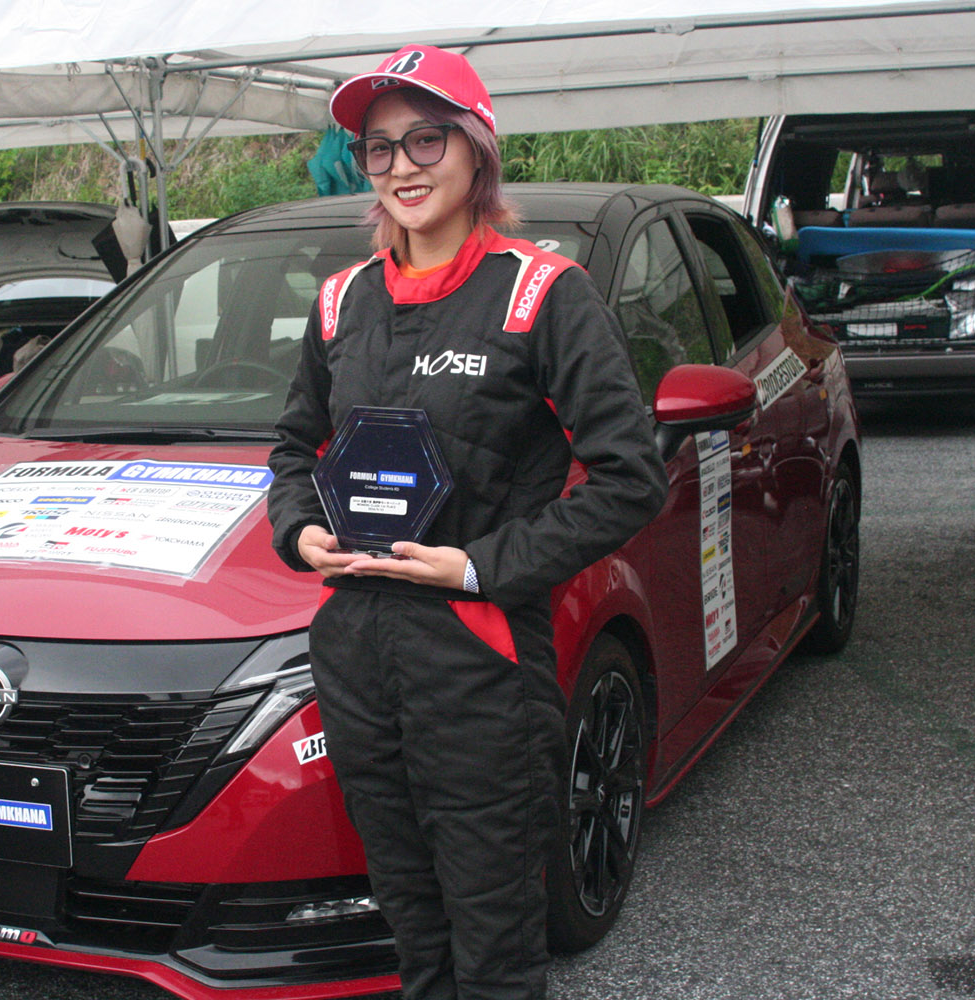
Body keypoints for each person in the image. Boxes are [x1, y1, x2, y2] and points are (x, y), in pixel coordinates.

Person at [265, 44, 669, 1000]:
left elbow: (630, 477)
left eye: (426, 139)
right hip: (358, 651)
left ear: (477, 150)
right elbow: (291, 448)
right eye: (379, 148)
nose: (403, 166)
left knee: (492, 939)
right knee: (410, 919)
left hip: (477, 659)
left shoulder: (544, 294)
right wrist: (298, 530)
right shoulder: (343, 301)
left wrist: (479, 567)